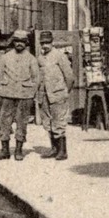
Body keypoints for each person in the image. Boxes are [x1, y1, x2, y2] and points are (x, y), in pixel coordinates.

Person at [0, 31, 42, 162]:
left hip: (24, 96)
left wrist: (31, 93)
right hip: (7, 94)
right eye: (17, 41)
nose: (19, 44)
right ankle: (5, 150)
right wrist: (2, 88)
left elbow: (36, 78)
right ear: (13, 42)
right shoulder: (5, 57)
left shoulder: (31, 59)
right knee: (4, 121)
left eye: (22, 41)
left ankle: (19, 150)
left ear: (26, 43)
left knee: (22, 122)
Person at [36, 31, 74, 161]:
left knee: (59, 123)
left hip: (58, 94)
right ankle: (54, 148)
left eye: (47, 43)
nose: (45, 45)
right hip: (44, 95)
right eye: (42, 43)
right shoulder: (39, 58)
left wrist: (64, 91)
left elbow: (69, 77)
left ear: (52, 42)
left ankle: (62, 151)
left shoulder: (59, 56)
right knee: (47, 122)